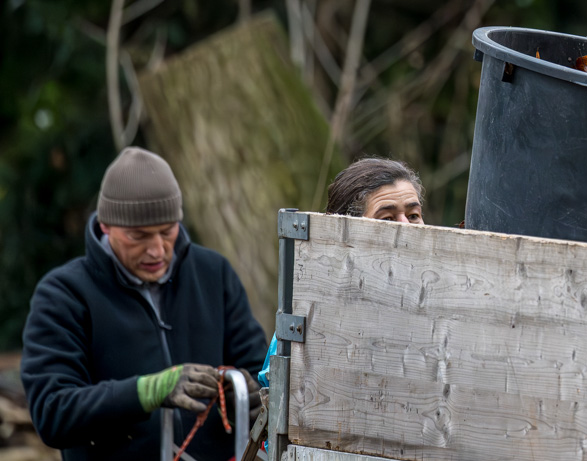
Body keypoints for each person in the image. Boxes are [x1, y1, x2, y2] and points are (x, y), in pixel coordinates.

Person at [21, 146, 268, 460]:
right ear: (106, 226)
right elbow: (52, 412)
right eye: (138, 236)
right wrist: (145, 393)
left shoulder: (213, 274)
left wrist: (248, 398)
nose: (157, 250)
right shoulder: (63, 295)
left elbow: (261, 376)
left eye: (167, 231)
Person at [257, 156, 425, 388]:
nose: (406, 226)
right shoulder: (310, 315)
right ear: (345, 233)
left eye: (413, 215)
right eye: (387, 219)